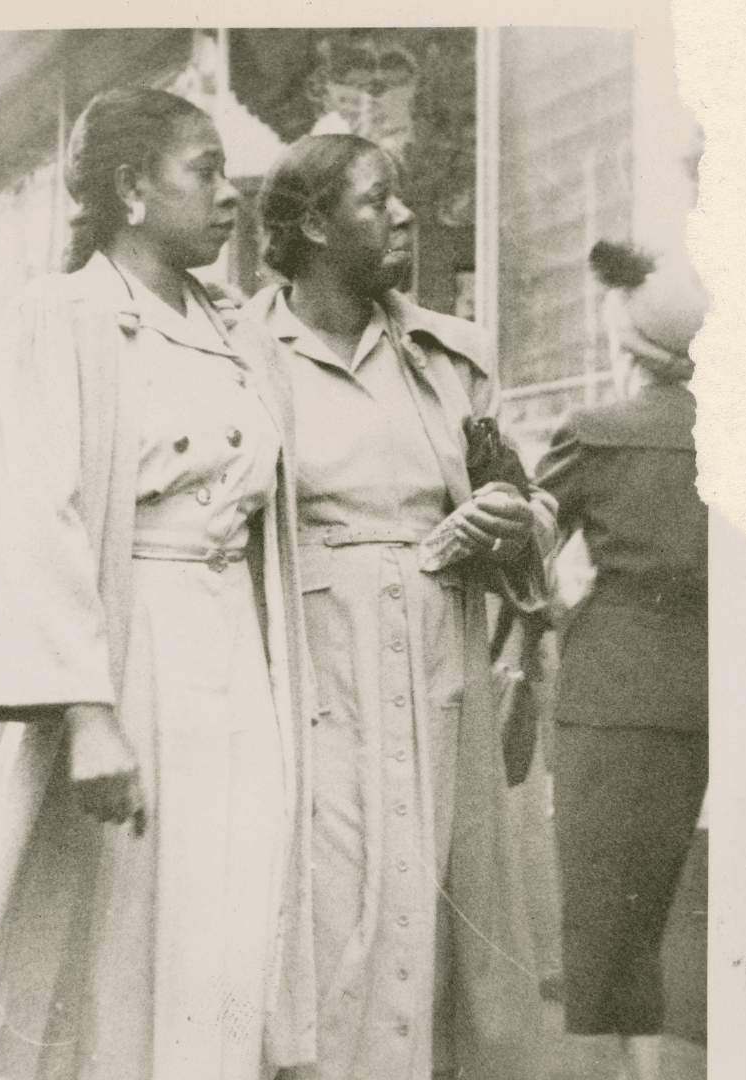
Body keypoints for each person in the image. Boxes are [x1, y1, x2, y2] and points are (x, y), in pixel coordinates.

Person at [0, 87, 315, 1080]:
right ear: (133, 190)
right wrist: (88, 715)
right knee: (118, 920)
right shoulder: (60, 316)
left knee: (226, 913)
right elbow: (33, 517)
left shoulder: (234, 330)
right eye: (206, 172)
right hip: (127, 649)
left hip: (233, 655)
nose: (232, 197)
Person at [244, 134, 557, 1080]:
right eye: (378, 200)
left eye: (401, 199)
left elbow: (528, 502)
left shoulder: (447, 359)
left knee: (440, 891)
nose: (404, 217)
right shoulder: (242, 355)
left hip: (436, 668)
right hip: (307, 665)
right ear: (308, 224)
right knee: (328, 902)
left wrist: (510, 522)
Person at [535, 242, 708, 1080]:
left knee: (609, 911)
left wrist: (561, 618)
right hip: (720, 687)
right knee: (692, 906)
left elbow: (524, 550)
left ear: (626, 350)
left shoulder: (597, 434)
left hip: (617, 689)